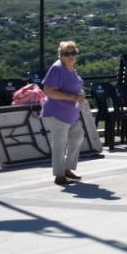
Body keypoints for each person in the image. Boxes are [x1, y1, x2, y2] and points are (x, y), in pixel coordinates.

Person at [41, 41, 87, 186]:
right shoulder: (57, 68)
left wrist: (79, 96)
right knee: (59, 144)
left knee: (77, 137)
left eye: (73, 53)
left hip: (71, 113)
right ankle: (59, 175)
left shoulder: (71, 68)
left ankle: (67, 168)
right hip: (57, 112)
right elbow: (48, 90)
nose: (70, 56)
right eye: (67, 54)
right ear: (60, 55)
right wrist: (73, 97)